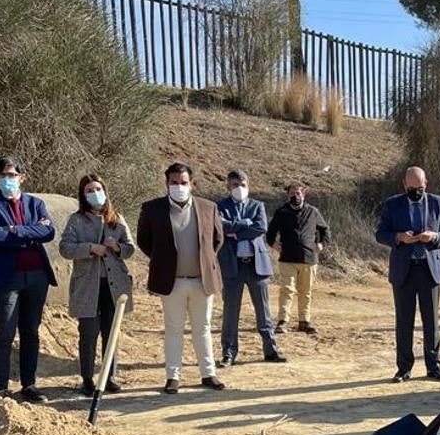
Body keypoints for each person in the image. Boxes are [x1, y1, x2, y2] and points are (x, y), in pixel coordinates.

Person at [136, 163, 226, 394]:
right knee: (173, 329)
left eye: (183, 183)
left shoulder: (208, 207)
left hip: (201, 281)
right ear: (166, 183)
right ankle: (172, 376)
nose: (179, 187)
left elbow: (217, 240)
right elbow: (144, 241)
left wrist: (205, 262)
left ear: (191, 183)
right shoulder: (152, 209)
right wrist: (164, 262)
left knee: (203, 328)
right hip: (172, 282)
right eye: (174, 183)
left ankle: (208, 373)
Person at [0, 156, 56, 403]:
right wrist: (31, 232)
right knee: (4, 332)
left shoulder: (36, 203)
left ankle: (29, 384)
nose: (7, 180)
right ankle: (0, 388)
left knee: (30, 332)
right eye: (2, 175)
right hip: (6, 277)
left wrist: (16, 229)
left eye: (12, 175)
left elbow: (49, 232)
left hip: (37, 276)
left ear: (22, 177)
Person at [375, 166, 440, 383]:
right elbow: (380, 233)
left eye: (419, 187)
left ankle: (434, 367)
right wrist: (399, 237)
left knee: (432, 322)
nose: (416, 192)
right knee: (404, 321)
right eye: (412, 188)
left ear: (425, 184)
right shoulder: (392, 204)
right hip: (404, 270)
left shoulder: (438, 203)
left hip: (430, 270)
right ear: (404, 185)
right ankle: (403, 368)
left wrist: (434, 236)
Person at [59, 174, 136, 396]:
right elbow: (65, 248)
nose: (95, 194)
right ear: (83, 195)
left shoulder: (117, 218)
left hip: (114, 286)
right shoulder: (76, 220)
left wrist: (117, 247)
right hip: (88, 285)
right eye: (89, 190)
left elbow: (130, 249)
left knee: (112, 332)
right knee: (88, 332)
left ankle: (109, 376)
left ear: (105, 191)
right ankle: (87, 379)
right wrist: (90, 248)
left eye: (98, 189)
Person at [216, 170, 285, 367]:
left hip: (256, 267)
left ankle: (270, 350)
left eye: (242, 184)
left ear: (249, 185)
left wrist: (236, 233)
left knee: (263, 312)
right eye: (234, 185)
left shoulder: (258, 205)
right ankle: (228, 353)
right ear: (228, 186)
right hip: (231, 266)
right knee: (230, 312)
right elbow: (221, 227)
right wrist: (244, 223)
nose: (239, 188)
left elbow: (260, 227)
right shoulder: (219, 206)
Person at [266, 182, 329, 335]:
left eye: (299, 192)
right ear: (288, 194)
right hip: (287, 258)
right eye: (293, 193)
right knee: (287, 290)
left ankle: (304, 321)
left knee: (305, 291)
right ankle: (282, 321)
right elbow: (270, 232)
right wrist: (274, 244)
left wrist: (321, 243)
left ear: (304, 194)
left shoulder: (313, 212)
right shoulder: (282, 212)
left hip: (309, 258)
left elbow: (324, 230)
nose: (296, 195)